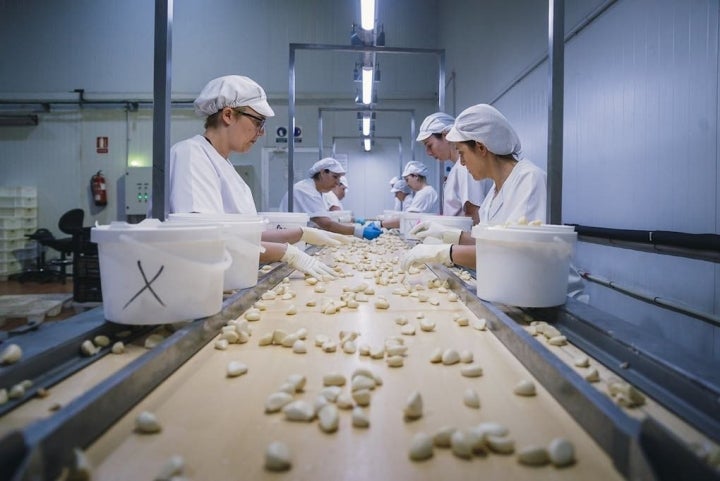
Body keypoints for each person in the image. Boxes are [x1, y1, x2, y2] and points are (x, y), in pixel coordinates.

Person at [168, 75, 347, 278]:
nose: (261, 133)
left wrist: (301, 233)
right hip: (194, 290)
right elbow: (203, 240)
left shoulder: (224, 167)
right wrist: (285, 253)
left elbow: (248, 237)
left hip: (223, 283)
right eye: (258, 122)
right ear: (228, 115)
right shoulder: (192, 155)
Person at [401, 103, 546, 271]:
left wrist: (444, 252)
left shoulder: (529, 180)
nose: (461, 162)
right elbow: (486, 244)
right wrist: (447, 234)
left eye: (462, 153)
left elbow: (514, 254)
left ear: (481, 147)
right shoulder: (494, 193)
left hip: (540, 293)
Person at [279, 158, 382, 240]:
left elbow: (327, 221)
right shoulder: (306, 190)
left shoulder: (319, 193)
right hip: (290, 241)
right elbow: (326, 224)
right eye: (335, 177)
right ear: (323, 173)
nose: (337, 182)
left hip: (301, 239)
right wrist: (360, 231)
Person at [417, 112, 491, 224]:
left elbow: (474, 216)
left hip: (462, 240)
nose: (428, 152)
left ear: (446, 136)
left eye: (429, 145)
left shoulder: (466, 168)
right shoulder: (457, 169)